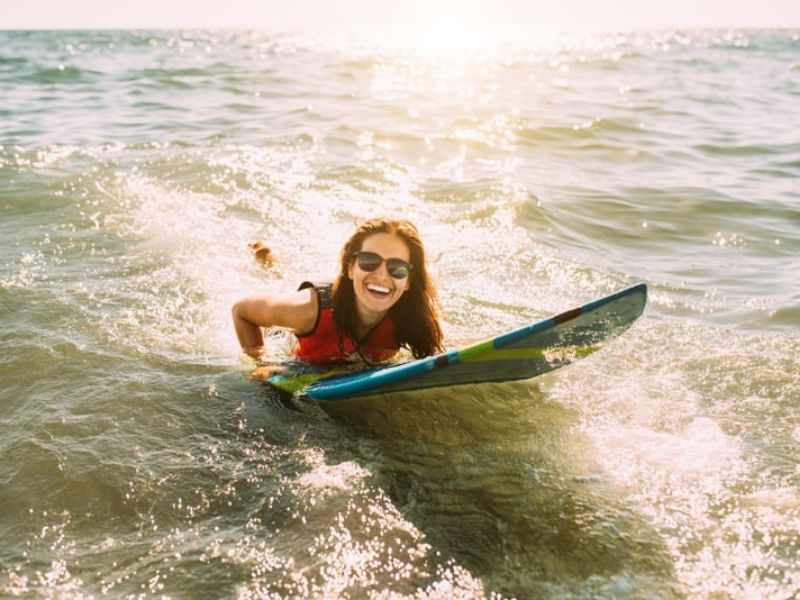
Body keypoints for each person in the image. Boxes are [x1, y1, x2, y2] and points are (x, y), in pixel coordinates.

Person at [232, 218, 444, 379]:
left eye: (397, 268)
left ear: (408, 281)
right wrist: (261, 361)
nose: (382, 274)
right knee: (281, 285)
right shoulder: (309, 310)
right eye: (369, 261)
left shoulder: (411, 317)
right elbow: (241, 311)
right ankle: (269, 261)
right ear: (350, 268)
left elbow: (445, 350)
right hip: (286, 337)